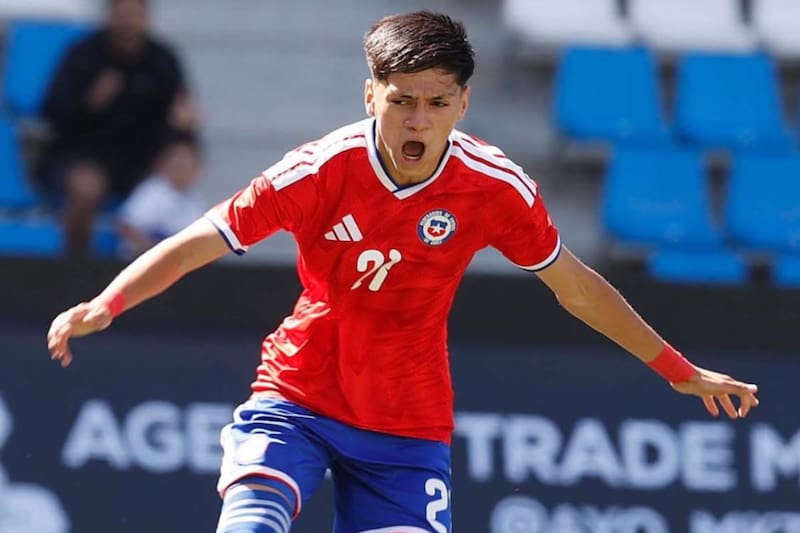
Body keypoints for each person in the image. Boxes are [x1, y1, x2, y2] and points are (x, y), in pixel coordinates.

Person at [46, 11, 759, 533]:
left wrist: (674, 367)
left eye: (437, 103)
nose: (419, 121)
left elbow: (575, 287)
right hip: (298, 395)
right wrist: (107, 302)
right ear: (370, 96)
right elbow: (199, 240)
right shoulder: (318, 170)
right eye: (402, 101)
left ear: (464, 104)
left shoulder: (495, 188)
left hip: (406, 426)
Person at [37, 0, 199, 255]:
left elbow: (182, 118)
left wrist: (185, 134)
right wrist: (90, 103)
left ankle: (160, 271)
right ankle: (76, 266)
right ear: (110, 16)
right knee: (86, 188)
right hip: (82, 154)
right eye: (122, 14)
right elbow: (51, 115)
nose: (128, 23)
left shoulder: (162, 60)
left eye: (135, 15)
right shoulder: (82, 55)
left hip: (143, 160)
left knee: (175, 178)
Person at [115, 131, 206, 257]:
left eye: (187, 163)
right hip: (142, 261)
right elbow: (126, 226)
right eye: (178, 162)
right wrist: (157, 252)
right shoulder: (153, 190)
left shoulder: (195, 198)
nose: (182, 168)